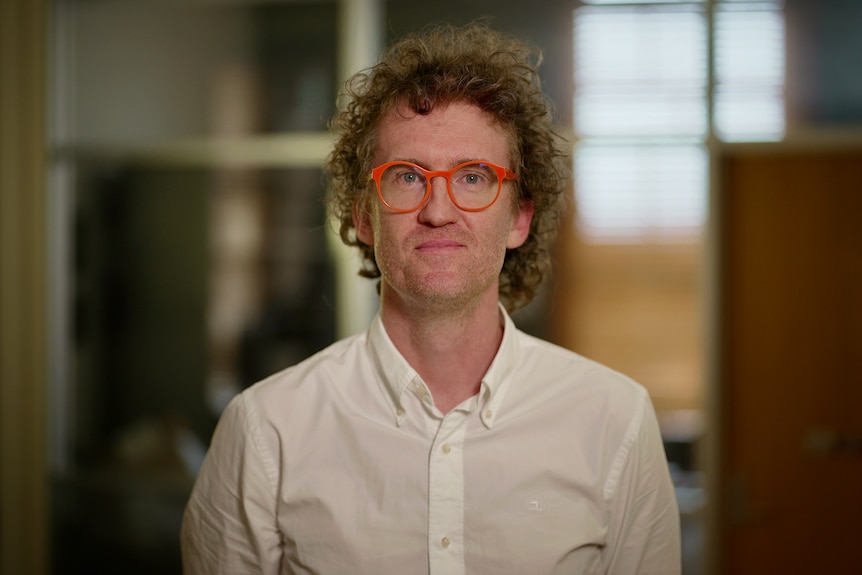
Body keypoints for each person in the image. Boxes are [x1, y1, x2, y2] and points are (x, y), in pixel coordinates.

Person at [181, 22, 681, 574]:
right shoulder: (265, 430)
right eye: (406, 177)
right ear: (363, 216)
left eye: (472, 177)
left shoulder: (615, 421)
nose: (438, 210)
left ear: (519, 218)